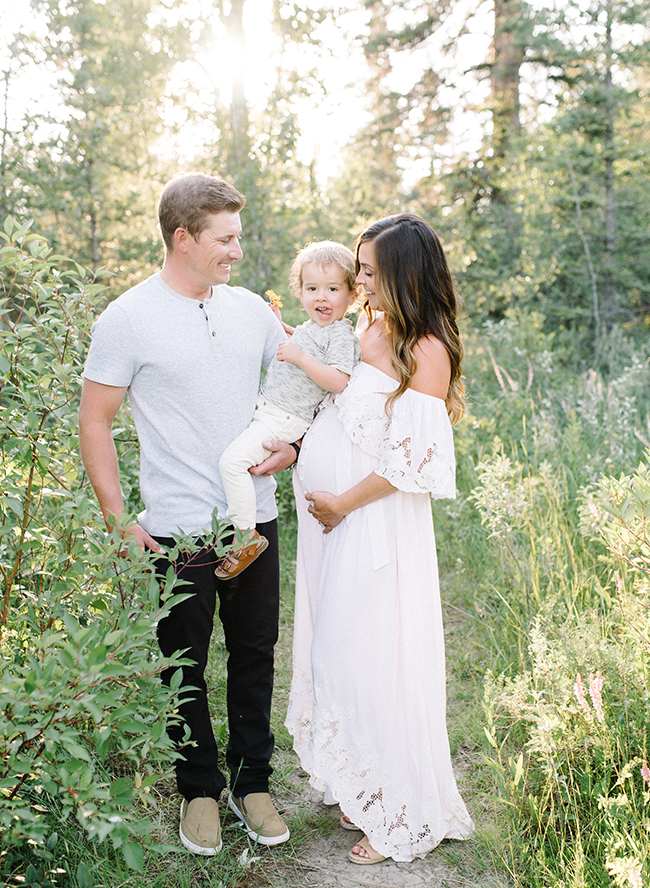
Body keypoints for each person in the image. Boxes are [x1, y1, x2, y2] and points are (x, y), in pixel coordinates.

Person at [79, 172, 298, 856]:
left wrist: (292, 445)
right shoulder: (127, 318)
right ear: (184, 238)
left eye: (237, 235)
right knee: (185, 665)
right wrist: (118, 518)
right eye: (225, 238)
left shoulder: (252, 312)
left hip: (253, 519)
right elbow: (95, 418)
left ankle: (251, 782)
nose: (236, 249)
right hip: (176, 528)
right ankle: (199, 789)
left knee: (257, 655)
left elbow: (296, 388)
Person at [285, 213, 474, 865]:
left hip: (374, 526)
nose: (357, 280)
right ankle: (364, 783)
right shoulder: (370, 329)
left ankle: (401, 808)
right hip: (335, 527)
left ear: (401, 273)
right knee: (338, 652)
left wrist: (340, 501)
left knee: (376, 658)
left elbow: (409, 463)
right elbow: (344, 410)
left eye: (368, 270)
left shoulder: (426, 349)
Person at [216, 241, 361, 579]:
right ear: (300, 291)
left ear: (352, 296)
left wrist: (298, 357)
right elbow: (307, 342)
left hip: (284, 419)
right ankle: (241, 527)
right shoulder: (318, 328)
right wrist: (283, 327)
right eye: (312, 289)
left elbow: (338, 380)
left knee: (232, 463)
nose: (320, 297)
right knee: (235, 458)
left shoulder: (340, 333)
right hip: (272, 411)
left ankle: (245, 535)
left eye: (332, 289)